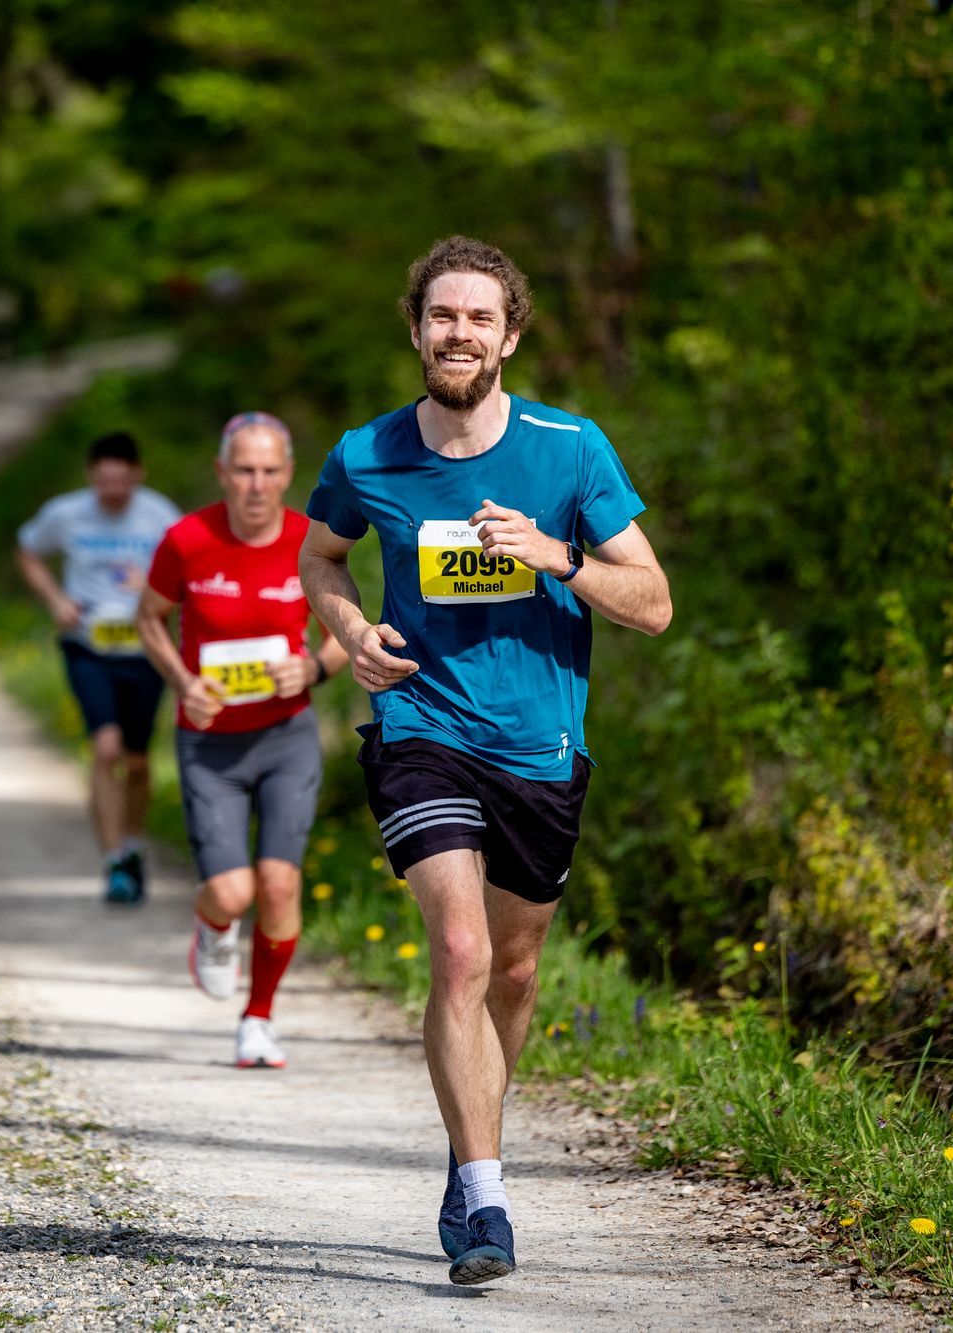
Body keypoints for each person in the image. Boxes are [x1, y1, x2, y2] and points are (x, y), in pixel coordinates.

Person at [298, 235, 672, 1286]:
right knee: (459, 954)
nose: (455, 333)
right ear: (413, 328)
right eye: (438, 316)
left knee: (512, 970)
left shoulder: (568, 448)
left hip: (540, 747)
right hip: (421, 729)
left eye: (476, 318)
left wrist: (554, 556)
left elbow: (651, 604)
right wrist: (352, 628)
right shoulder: (365, 453)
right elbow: (318, 552)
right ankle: (486, 1195)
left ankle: (468, 1158)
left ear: (509, 336)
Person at [135, 412, 349, 1069]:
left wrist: (312, 667)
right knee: (232, 892)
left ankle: (258, 1019)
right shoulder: (186, 539)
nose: (257, 484)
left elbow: (349, 632)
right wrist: (181, 681)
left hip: (286, 734)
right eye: (244, 470)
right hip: (210, 740)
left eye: (270, 470)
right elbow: (149, 618)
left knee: (279, 884)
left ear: (288, 475)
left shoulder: (310, 540)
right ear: (223, 472)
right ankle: (213, 923)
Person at [16, 433, 181, 904]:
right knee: (106, 748)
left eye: (121, 481)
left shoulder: (159, 514)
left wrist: (151, 584)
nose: (112, 490)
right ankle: (113, 862)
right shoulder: (66, 513)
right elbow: (27, 551)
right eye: (103, 481)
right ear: (92, 477)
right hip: (87, 647)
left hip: (145, 649)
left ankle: (130, 843)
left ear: (137, 475)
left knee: (138, 760)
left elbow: (188, 572)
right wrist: (55, 600)